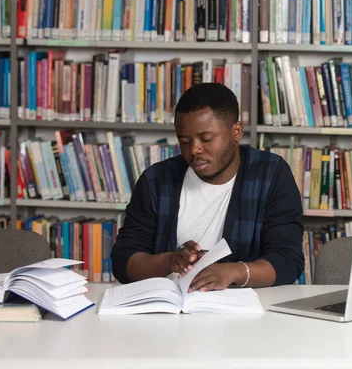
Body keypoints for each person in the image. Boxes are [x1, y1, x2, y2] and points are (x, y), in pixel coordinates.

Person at [111, 82, 304, 291]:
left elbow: (288, 260)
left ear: (236, 131)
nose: (194, 150)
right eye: (184, 141)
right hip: (169, 311)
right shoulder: (156, 180)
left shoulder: (271, 174)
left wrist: (234, 272)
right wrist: (169, 261)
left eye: (206, 138)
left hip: (247, 314)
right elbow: (123, 261)